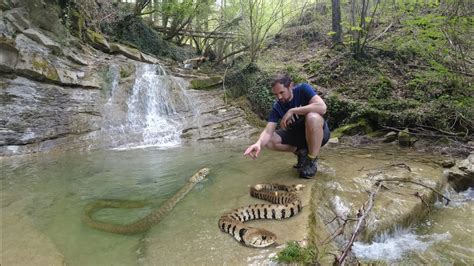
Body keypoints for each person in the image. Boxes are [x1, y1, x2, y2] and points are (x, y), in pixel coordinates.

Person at [243, 73, 330, 178]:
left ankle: (311, 160)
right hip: (299, 137)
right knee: (269, 140)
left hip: (319, 134)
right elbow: (268, 131)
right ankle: (302, 152)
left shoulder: (303, 89)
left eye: (281, 92)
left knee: (312, 117)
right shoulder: (277, 107)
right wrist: (258, 144)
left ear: (290, 86)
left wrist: (292, 111)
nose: (279, 97)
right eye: (275, 94)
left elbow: (322, 107)